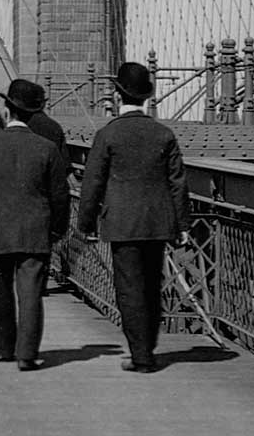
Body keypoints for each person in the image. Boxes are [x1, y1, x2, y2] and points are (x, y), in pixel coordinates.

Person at [76, 61, 191, 374]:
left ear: (117, 94)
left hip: (122, 223)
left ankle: (140, 355)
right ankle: (148, 348)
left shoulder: (108, 134)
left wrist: (85, 223)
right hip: (157, 221)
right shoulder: (164, 134)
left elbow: (93, 182)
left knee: (129, 288)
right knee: (153, 286)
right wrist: (183, 225)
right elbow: (178, 182)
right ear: (146, 97)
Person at [0, 78, 70, 371]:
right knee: (31, 293)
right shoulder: (47, 148)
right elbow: (61, 196)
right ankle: (27, 354)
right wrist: (57, 231)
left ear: (7, 110)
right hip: (36, 232)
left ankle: (3, 348)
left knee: (1, 288)